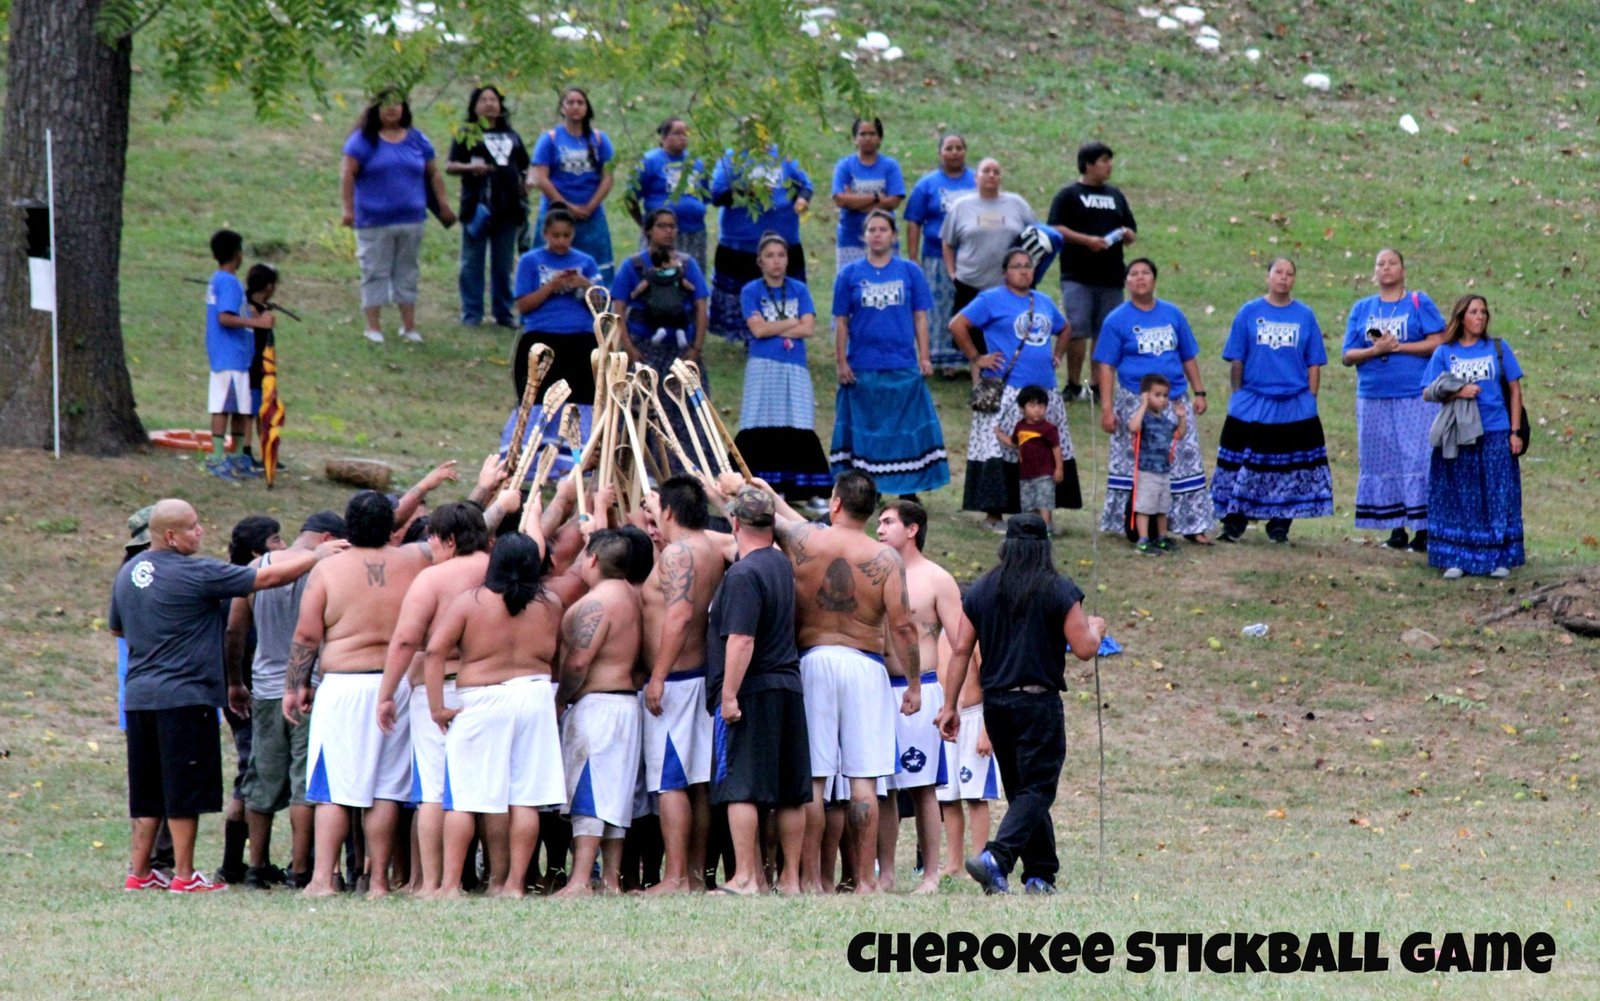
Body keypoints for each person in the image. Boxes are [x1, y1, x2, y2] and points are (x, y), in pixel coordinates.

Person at [110, 499, 347, 894]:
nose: (200, 531)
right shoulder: (193, 571)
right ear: (170, 536)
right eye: (192, 526)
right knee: (183, 789)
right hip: (184, 695)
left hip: (138, 696)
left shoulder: (128, 574)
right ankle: (185, 876)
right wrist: (315, 557)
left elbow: (118, 630)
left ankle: (140, 872)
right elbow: (265, 580)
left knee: (147, 790)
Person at [769, 470, 920, 894]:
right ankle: (866, 881)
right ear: (872, 513)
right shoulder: (886, 559)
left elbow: (766, 514)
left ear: (835, 503)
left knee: (814, 778)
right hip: (865, 664)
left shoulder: (803, 541)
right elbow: (904, 625)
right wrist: (912, 683)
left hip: (813, 660)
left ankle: (814, 879)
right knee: (864, 781)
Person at [938, 514, 1106, 895]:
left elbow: (962, 650)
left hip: (995, 706)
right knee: (1038, 788)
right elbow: (1084, 648)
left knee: (1022, 792)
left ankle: (1040, 875)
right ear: (1044, 546)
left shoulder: (981, 590)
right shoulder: (1057, 589)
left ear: (1005, 546)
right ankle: (996, 856)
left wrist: (950, 706)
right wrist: (1096, 628)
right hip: (1037, 703)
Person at [289, 490, 437, 898]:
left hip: (345, 685)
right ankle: (378, 882)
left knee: (335, 787)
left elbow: (306, 634)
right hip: (397, 685)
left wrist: (295, 685)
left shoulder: (329, 570)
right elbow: (472, 526)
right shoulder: (415, 561)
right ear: (393, 527)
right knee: (386, 788)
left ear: (347, 527)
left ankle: (323, 879)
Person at [426, 532, 571, 897]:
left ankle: (448, 885)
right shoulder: (551, 602)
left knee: (465, 797)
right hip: (535, 695)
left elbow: (434, 652)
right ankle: (512, 885)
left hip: (482, 699)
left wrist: (436, 707)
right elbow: (559, 653)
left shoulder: (470, 602)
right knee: (526, 798)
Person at [373, 501, 493, 897]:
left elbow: (407, 639)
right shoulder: (498, 569)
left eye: (433, 538)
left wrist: (386, 694)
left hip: (439, 688)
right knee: (485, 788)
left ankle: (433, 883)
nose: (429, 545)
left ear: (450, 539)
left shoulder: (433, 579)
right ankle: (493, 879)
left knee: (433, 792)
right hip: (492, 685)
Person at [225, 511, 346, 890]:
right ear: (327, 537)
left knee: (261, 778)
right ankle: (300, 868)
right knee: (303, 782)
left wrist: (235, 682)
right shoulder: (325, 569)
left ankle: (257, 865)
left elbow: (234, 629)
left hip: (263, 687)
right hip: (309, 689)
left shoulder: (258, 567)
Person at [705, 487, 811, 894]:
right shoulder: (781, 564)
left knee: (742, 785)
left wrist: (729, 694)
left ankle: (747, 877)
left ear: (734, 524)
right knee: (788, 789)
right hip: (788, 686)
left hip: (752, 688)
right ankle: (789, 880)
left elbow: (741, 640)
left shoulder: (744, 575)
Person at [638, 477, 727, 892]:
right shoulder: (709, 547)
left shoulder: (678, 554)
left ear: (668, 512)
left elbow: (678, 616)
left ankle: (675, 876)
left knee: (672, 781)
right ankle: (691, 874)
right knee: (697, 782)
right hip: (697, 675)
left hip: (675, 679)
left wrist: (657, 676)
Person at [950, 248, 1078, 531]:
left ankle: (1040, 515)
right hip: (1007, 390)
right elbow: (958, 325)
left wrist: (1057, 355)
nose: (1024, 271)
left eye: (1028, 266)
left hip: (1043, 390)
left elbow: (1065, 328)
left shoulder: (1042, 301)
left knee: (1041, 450)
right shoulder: (990, 300)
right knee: (1001, 448)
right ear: (1005, 271)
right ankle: (995, 515)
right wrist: (976, 357)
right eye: (1017, 266)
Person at [1212, 257, 1334, 544]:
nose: (1284, 278)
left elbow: (1314, 362)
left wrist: (1310, 397)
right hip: (1253, 400)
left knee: (1289, 465)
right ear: (1268, 276)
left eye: (1290, 273)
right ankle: (1234, 520)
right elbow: (1237, 358)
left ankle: (1280, 522)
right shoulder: (1249, 312)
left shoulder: (1304, 315)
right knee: (1244, 461)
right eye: (1278, 272)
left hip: (1294, 403)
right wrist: (1238, 394)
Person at [555, 530, 649, 896]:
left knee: (590, 791)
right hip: (626, 703)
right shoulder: (633, 596)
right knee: (616, 792)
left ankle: (580, 879)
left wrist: (563, 696)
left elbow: (579, 660)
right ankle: (610, 879)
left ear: (592, 558)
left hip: (599, 705)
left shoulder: (594, 604)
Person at [831, 210, 950, 499]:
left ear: (894, 235)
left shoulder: (910, 272)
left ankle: (908, 489)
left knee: (903, 430)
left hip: (902, 364)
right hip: (863, 366)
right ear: (864, 236)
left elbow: (921, 318)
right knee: (868, 431)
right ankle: (869, 488)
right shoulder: (849, 275)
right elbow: (842, 322)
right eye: (872, 229)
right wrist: (842, 361)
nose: (877, 234)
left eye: (883, 229)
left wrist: (924, 357)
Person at [1093, 257, 1213, 544]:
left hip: (1174, 401)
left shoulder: (1173, 314)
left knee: (1183, 458)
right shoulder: (1116, 320)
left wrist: (1199, 392)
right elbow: (1106, 366)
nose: (1140, 278)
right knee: (1134, 462)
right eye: (1133, 274)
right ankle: (1132, 524)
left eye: (1145, 273)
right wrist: (1108, 409)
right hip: (1135, 401)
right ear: (1126, 282)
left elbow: (1187, 355)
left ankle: (1192, 525)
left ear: (1154, 279)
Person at [874, 500, 960, 895]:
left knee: (923, 785)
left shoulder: (937, 579)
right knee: (884, 786)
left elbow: (961, 644)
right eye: (878, 522)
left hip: (921, 689)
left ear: (912, 529)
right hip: (879, 687)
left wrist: (951, 701)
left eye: (888, 522)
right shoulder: (875, 573)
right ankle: (886, 872)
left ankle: (930, 875)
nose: (880, 529)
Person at [1342, 248, 1447, 552]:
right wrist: (1375, 351)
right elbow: (1348, 354)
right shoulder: (1363, 309)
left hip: (1413, 395)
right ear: (1374, 273)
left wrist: (1399, 347)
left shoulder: (1417, 303)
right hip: (1373, 396)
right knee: (1381, 458)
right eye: (1380, 264)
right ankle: (1394, 528)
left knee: (1417, 457)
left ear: (1402, 270)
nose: (1386, 268)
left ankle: (1424, 529)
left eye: (1392, 263)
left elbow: (1438, 341)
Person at [1420, 294, 1526, 579]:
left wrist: (1515, 432)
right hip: (1459, 434)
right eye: (1473, 312)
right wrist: (1458, 392)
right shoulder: (1445, 352)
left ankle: (1497, 556)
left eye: (1483, 312)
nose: (1479, 317)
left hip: (1495, 430)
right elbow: (1427, 391)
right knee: (1460, 495)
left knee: (1497, 494)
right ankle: (1457, 556)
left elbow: (1515, 391)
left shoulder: (1498, 349)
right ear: (1461, 317)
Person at [340, 88, 453, 344]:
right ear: (376, 108)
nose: (392, 109)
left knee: (407, 272)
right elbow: (347, 175)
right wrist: (347, 210)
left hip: (412, 220)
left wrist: (443, 204)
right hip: (373, 222)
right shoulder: (362, 141)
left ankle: (409, 326)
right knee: (374, 271)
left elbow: (433, 173)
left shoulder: (417, 140)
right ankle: (373, 327)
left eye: (397, 104)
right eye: (386, 104)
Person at [611, 208, 712, 473]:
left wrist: (696, 349)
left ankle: (691, 472)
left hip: (682, 352)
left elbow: (701, 307)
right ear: (648, 231)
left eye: (672, 226)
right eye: (662, 226)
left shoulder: (688, 266)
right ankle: (643, 472)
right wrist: (629, 349)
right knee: (644, 413)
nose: (669, 231)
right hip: (645, 352)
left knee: (688, 415)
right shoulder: (633, 266)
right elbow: (618, 309)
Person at [733, 233, 831, 506]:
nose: (776, 262)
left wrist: (774, 327)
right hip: (762, 365)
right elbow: (758, 329)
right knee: (760, 421)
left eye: (781, 255)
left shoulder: (799, 289)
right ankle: (762, 486)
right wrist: (792, 322)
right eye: (770, 256)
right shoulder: (751, 291)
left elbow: (809, 328)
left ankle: (804, 491)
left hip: (794, 365)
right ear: (760, 262)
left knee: (797, 421)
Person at [215, 516, 284, 885]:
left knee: (248, 770)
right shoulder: (246, 584)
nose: (283, 546)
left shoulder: (227, 582)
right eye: (276, 539)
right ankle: (235, 865)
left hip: (237, 688)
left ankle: (234, 864)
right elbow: (233, 635)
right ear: (258, 551)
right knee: (251, 773)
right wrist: (236, 683)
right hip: (247, 691)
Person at [509, 205, 600, 467]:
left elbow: (601, 305)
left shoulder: (586, 261)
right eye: (556, 235)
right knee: (539, 399)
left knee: (582, 397)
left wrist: (585, 285)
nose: (561, 241)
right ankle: (530, 458)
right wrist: (551, 286)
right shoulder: (530, 261)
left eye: (567, 236)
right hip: (542, 336)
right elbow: (524, 306)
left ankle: (578, 459)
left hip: (580, 338)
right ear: (545, 234)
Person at [1048, 140, 1137, 401]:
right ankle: (1074, 383)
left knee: (1105, 331)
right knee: (1077, 329)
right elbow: (1055, 228)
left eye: (1110, 161)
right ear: (1088, 164)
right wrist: (1087, 241)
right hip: (1078, 274)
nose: (1109, 166)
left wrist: (1128, 234)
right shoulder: (1069, 195)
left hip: (1111, 276)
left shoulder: (1115, 195)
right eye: (1103, 161)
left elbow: (1129, 227)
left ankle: (1098, 385)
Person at [709, 142, 812, 340]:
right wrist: (746, 191)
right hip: (741, 243)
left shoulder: (784, 155)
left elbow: (805, 185)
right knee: (744, 293)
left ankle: (783, 330)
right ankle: (745, 334)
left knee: (781, 290)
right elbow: (717, 194)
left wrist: (802, 199)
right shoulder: (732, 158)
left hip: (783, 239)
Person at [446, 85, 530, 329]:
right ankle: (472, 313)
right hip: (477, 208)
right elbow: (450, 165)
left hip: (509, 208)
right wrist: (471, 168)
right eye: (484, 99)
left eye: (494, 99)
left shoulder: (512, 135)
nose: (490, 104)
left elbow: (525, 165)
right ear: (474, 106)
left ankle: (503, 312)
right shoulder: (467, 133)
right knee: (472, 263)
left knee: (503, 265)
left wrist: (526, 183)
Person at [203, 229, 273, 482]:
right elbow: (225, 317)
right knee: (223, 406)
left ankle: (237, 458)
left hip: (236, 357)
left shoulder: (218, 280)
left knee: (241, 409)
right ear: (237, 254)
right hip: (229, 355)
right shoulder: (229, 282)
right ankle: (218, 458)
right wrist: (258, 324)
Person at [903, 134, 976, 377]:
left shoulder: (976, 180)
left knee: (968, 306)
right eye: (949, 148)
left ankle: (970, 358)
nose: (954, 152)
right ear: (940, 153)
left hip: (972, 257)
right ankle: (944, 361)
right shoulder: (927, 185)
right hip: (936, 257)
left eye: (959, 148)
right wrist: (914, 259)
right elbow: (914, 222)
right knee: (939, 308)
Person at [935, 616, 1001, 881]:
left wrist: (988, 728)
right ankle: (954, 862)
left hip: (975, 718)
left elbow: (990, 682)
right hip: (948, 720)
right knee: (948, 798)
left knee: (975, 796)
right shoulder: (939, 638)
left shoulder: (977, 641)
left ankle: (980, 858)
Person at [528, 87, 616, 283]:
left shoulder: (600, 139)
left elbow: (608, 177)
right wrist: (567, 206)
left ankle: (600, 311)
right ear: (562, 108)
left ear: (587, 107)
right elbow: (541, 178)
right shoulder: (549, 139)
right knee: (549, 267)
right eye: (570, 102)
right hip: (556, 213)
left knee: (596, 271)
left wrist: (591, 205)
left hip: (591, 216)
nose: (575, 107)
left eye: (580, 102)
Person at [940, 158, 1038, 321]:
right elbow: (947, 242)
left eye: (996, 172)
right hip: (970, 284)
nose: (991, 175)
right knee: (969, 337)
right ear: (976, 177)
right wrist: (952, 274)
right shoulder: (961, 206)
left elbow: (1037, 236)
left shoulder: (1017, 204)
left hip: (1009, 286)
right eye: (986, 171)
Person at [626, 117, 709, 271]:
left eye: (686, 133)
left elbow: (704, 194)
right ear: (664, 137)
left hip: (694, 232)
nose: (683, 137)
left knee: (692, 275)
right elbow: (630, 197)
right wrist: (645, 224)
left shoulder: (696, 163)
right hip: (662, 234)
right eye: (677, 133)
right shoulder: (650, 161)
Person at [831, 116, 905, 271]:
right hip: (850, 239)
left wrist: (855, 202)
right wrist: (876, 197)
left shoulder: (890, 166)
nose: (867, 138)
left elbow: (893, 202)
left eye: (872, 134)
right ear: (855, 139)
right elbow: (841, 200)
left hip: (885, 242)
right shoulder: (844, 166)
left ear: (879, 139)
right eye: (862, 134)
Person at [1127, 374, 1187, 554]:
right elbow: (1133, 427)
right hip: (1147, 471)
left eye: (1165, 395)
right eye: (1157, 395)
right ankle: (1143, 539)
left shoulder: (1166, 421)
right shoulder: (1143, 418)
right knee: (1144, 506)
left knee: (1162, 507)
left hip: (1163, 471)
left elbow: (1179, 434)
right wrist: (1143, 405)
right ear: (1146, 395)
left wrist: (1181, 417)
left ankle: (1161, 537)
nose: (1162, 399)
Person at [996, 386, 1065, 533]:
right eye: (1032, 405)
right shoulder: (1020, 427)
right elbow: (1014, 443)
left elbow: (1056, 448)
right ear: (1022, 408)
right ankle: (1031, 529)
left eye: (1041, 405)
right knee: (1028, 504)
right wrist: (999, 434)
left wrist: (1059, 469)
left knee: (1044, 502)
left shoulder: (1048, 429)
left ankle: (1046, 529)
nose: (1037, 410)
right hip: (1025, 474)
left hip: (1045, 474)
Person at [241, 264, 282, 478]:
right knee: (251, 411)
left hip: (264, 366)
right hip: (254, 366)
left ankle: (266, 453)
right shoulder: (250, 308)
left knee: (264, 411)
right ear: (268, 286)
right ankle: (246, 451)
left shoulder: (259, 307)